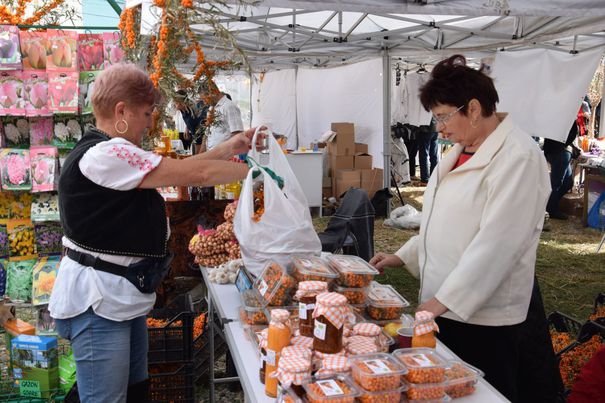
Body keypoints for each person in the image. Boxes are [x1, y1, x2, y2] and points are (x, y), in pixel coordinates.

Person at [48, 63, 258, 403]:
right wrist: (261, 171)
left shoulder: (106, 150)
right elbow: (199, 174)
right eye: (146, 113)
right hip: (98, 301)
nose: (149, 122)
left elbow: (187, 168)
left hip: (119, 296)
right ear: (121, 111)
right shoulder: (107, 154)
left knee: (135, 392)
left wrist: (228, 148)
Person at [370, 55, 562, 402]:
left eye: (443, 117)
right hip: (446, 305)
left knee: (482, 391)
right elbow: (443, 224)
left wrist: (439, 303)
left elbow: (497, 247)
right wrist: (402, 255)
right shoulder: (459, 149)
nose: (439, 128)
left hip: (484, 317)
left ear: (473, 108)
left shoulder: (519, 158)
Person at [543, 122, 579, 220]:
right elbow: (572, 133)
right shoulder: (563, 115)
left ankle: (550, 205)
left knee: (568, 183)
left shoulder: (558, 115)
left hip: (559, 151)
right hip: (560, 151)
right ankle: (551, 208)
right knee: (556, 184)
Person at [174, 89, 208, 154]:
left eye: (175, 102)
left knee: (198, 156)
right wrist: (187, 128)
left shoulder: (191, 109)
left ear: (181, 102)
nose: (174, 103)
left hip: (200, 135)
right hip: (194, 134)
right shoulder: (182, 109)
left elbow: (198, 124)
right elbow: (188, 120)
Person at [418, 117, 439, 183]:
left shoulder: (424, 106)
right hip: (435, 127)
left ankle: (425, 178)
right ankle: (434, 176)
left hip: (425, 129)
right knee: (434, 155)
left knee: (424, 155)